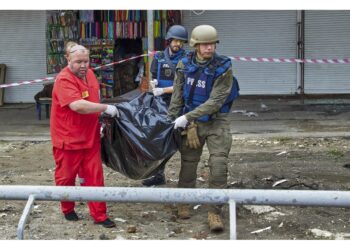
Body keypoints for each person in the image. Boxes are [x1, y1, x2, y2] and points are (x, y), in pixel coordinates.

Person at [168, 25, 237, 232]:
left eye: (213, 44)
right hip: (192, 123)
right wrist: (173, 119)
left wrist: (186, 117)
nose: (210, 48)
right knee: (188, 164)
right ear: (196, 45)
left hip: (217, 121)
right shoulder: (183, 64)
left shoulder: (223, 67)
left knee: (218, 166)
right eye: (205, 44)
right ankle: (184, 202)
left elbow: (216, 101)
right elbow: (177, 95)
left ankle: (214, 211)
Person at [50, 44, 119, 228]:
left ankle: (100, 215)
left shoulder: (89, 74)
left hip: (90, 137)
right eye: (78, 62)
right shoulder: (64, 79)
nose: (83, 65)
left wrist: (100, 121)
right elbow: (78, 106)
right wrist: (106, 108)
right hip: (68, 140)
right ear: (68, 60)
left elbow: (93, 99)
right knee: (66, 177)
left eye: (86, 61)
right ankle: (67, 208)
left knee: (95, 177)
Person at [141, 24, 188, 187]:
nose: (178, 44)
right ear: (169, 40)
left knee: (176, 141)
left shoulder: (187, 59)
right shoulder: (160, 57)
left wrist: (164, 90)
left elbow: (185, 85)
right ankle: (158, 174)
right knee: (158, 139)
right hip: (159, 104)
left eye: (181, 42)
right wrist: (153, 84)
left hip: (178, 104)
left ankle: (186, 179)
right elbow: (152, 76)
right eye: (176, 41)